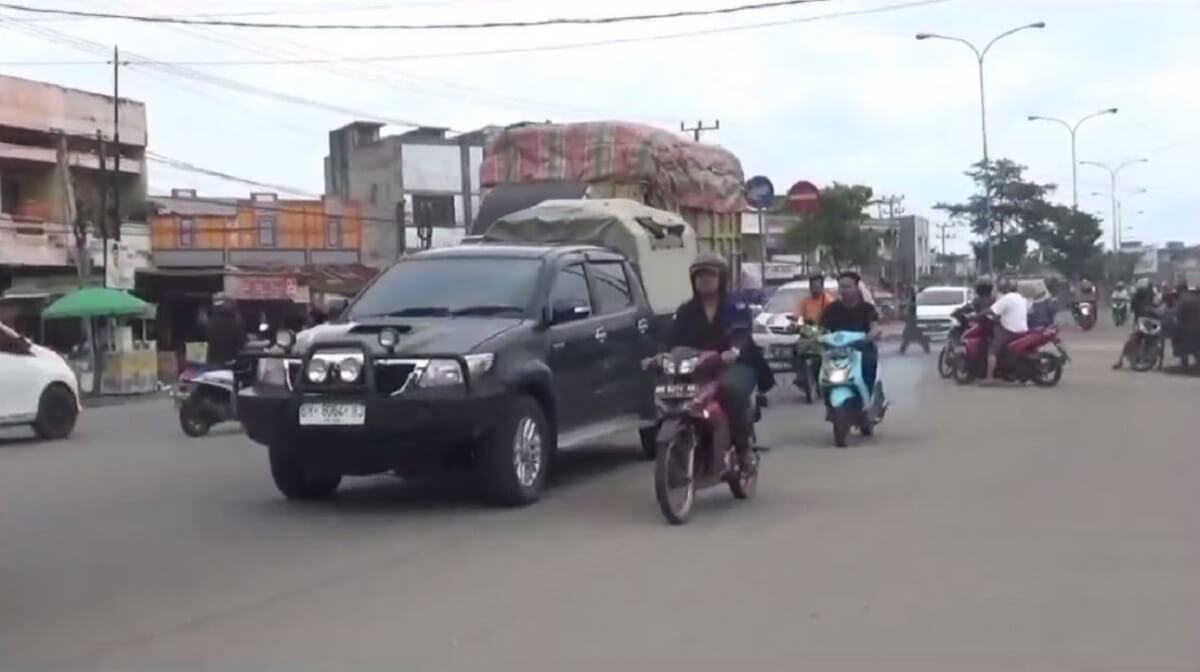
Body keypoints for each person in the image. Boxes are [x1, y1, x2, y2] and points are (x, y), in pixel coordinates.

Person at [669, 253, 774, 472]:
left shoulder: (736, 306)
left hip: (736, 365)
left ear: (722, 278)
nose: (704, 280)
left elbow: (742, 333)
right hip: (698, 367)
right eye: (699, 276)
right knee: (671, 391)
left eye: (710, 275)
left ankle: (743, 451)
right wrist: (659, 356)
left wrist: (733, 350)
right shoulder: (685, 310)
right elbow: (671, 340)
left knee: (730, 390)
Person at [820, 271, 885, 405]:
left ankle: (869, 401)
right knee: (820, 371)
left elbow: (874, 326)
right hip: (837, 352)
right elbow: (822, 329)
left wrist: (870, 336)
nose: (845, 290)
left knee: (869, 365)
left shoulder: (867, 309)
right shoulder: (831, 309)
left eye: (848, 286)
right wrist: (818, 337)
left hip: (862, 350)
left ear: (856, 288)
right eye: (842, 286)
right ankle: (827, 403)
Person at [985, 277, 1029, 383]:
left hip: (1010, 330)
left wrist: (977, 315)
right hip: (1023, 330)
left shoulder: (1007, 298)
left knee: (992, 350)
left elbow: (992, 311)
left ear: (1006, 288)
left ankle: (989, 378)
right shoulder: (1022, 298)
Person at [205, 293, 247, 366]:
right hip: (231, 358)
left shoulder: (212, 316)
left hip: (214, 358)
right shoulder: (236, 317)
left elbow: (206, 336)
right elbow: (241, 339)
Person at [898, 284, 931, 355]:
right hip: (912, 320)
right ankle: (903, 349)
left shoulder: (913, 300)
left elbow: (911, 309)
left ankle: (903, 349)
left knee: (912, 336)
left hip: (912, 320)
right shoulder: (912, 300)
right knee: (913, 336)